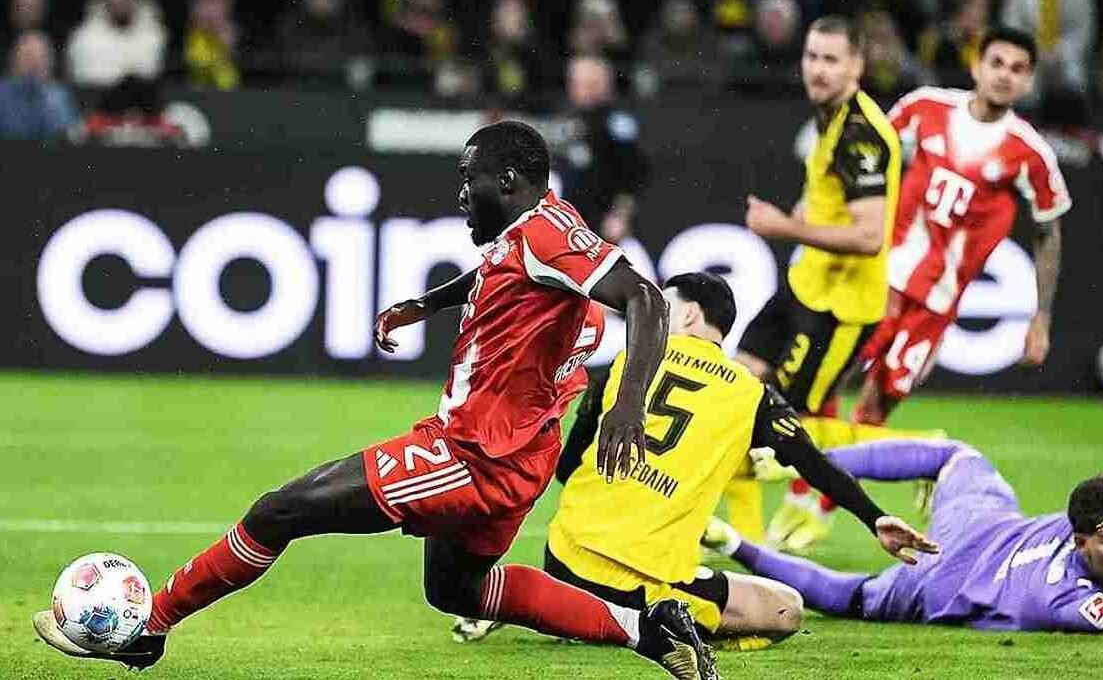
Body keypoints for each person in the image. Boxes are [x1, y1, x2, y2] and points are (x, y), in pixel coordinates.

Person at [33, 121, 720, 680]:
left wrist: (628, 406)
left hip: (473, 456)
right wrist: (428, 303)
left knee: (279, 511)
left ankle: (150, 626)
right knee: (456, 591)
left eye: (470, 178)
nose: (461, 193)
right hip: (517, 457)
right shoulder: (540, 235)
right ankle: (648, 629)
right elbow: (504, 275)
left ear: (508, 181)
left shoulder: (545, 235)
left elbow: (646, 298)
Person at [451, 273, 937, 650]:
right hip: (644, 581)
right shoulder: (751, 395)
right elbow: (814, 464)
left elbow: (566, 469)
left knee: (604, 566)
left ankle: (559, 608)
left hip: (562, 557)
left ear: (687, 315)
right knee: (785, 609)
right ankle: (639, 628)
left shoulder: (623, 365)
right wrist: (874, 517)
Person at [706, 438, 1103, 635]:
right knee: (854, 597)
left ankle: (801, 466)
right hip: (944, 575)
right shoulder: (1066, 602)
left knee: (957, 456)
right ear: (1081, 542)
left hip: (989, 522)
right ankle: (736, 539)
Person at [732, 15, 903, 544]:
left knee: (786, 426)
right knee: (737, 388)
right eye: (812, 57)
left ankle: (926, 453)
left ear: (856, 66)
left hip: (840, 307)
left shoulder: (861, 136)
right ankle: (741, 534)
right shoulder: (831, 118)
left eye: (831, 59)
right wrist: (804, 215)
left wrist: (785, 227)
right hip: (806, 284)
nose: (818, 69)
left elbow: (870, 237)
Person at [855, 27, 1068, 423]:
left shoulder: (1031, 153)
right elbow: (863, 160)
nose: (1005, 75)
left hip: (937, 299)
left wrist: (1041, 318)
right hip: (880, 275)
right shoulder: (925, 107)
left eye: (1018, 69)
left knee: (877, 407)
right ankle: (794, 463)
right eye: (997, 63)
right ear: (976, 66)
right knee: (832, 375)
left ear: (1028, 82)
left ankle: (834, 467)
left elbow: (1048, 232)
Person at [552, 55, 649, 245]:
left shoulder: (617, 123)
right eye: (575, 83)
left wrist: (620, 215)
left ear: (603, 85)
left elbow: (633, 176)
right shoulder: (562, 116)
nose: (580, 89)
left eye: (589, 83)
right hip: (566, 223)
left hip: (603, 222)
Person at [0, 30, 77, 140]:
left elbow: (68, 133)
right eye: (28, 57)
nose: (35, 64)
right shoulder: (3, 94)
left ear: (50, 62)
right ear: (14, 61)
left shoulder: (59, 95)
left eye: (41, 57)